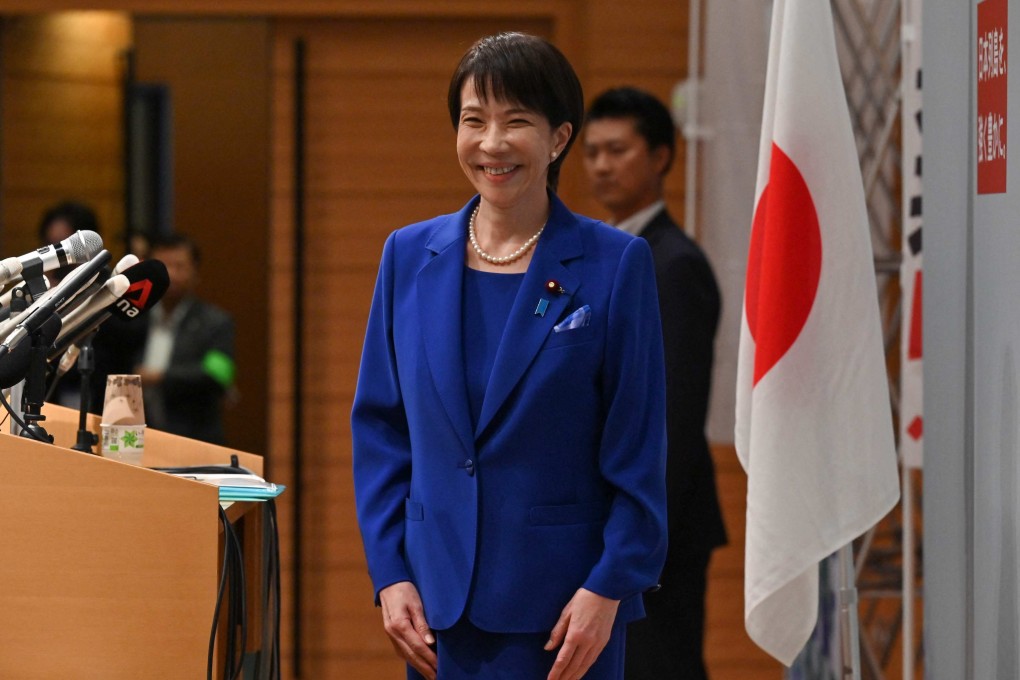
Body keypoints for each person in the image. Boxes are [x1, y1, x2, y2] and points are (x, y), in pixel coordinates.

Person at [352, 33, 668, 680]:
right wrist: (390, 573)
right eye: (474, 120)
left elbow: (638, 447)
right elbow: (382, 430)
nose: (491, 143)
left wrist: (610, 585)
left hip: (566, 616)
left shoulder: (615, 263)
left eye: (516, 121)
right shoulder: (407, 256)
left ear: (559, 139)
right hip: (435, 611)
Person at [583, 87, 726, 680]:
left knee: (657, 667)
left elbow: (673, 417)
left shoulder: (672, 263)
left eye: (618, 150)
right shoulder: (610, 253)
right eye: (592, 152)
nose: (601, 166)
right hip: (622, 519)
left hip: (656, 526)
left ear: (661, 157)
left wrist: (636, 535)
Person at [131, 234, 235, 444]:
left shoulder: (215, 322)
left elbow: (218, 374)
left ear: (195, 272)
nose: (171, 274)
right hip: (134, 434)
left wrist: (158, 377)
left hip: (194, 436)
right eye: (163, 266)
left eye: (179, 266)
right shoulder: (131, 318)